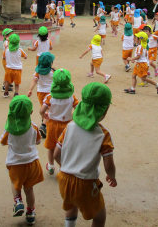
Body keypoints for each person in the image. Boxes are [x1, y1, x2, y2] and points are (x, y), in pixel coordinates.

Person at [54, 82, 116, 227]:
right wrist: (111, 176)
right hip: (86, 184)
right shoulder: (103, 134)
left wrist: (65, 166)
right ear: (105, 110)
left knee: (71, 204)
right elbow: (109, 165)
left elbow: (57, 153)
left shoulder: (69, 127)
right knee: (99, 217)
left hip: (64, 179)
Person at [0, 95, 43, 225]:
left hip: (16, 163)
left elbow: (2, 142)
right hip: (32, 162)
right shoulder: (34, 126)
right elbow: (39, 140)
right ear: (31, 112)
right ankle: (30, 213)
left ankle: (18, 200)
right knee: (29, 189)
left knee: (14, 182)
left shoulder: (9, 129)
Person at [40, 69, 79, 176]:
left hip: (52, 124)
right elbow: (78, 109)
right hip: (67, 126)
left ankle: (51, 165)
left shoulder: (50, 97)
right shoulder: (72, 97)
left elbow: (41, 110)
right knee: (64, 147)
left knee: (51, 146)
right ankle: (62, 167)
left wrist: (44, 115)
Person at [27, 52, 55, 138]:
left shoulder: (37, 72)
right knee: (50, 110)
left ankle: (44, 122)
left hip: (40, 92)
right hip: (50, 93)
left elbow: (34, 81)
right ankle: (44, 126)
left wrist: (30, 89)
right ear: (51, 62)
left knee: (43, 107)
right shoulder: (52, 72)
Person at [4, 34, 27, 98]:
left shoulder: (6, 50)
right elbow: (25, 56)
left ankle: (6, 92)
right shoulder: (20, 50)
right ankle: (16, 93)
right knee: (17, 83)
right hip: (17, 69)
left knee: (8, 81)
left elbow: (4, 57)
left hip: (9, 68)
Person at [1, 28, 14, 92]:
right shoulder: (6, 42)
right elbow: (7, 48)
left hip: (9, 60)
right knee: (8, 73)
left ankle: (8, 83)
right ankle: (4, 86)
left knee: (9, 73)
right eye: (11, 35)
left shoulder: (9, 42)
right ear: (6, 37)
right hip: (6, 60)